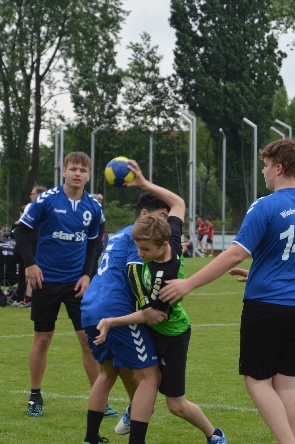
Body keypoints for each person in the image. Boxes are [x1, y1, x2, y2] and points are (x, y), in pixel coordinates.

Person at [160, 138, 295, 444]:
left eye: (265, 165)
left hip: (268, 306)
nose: (263, 171)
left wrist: (189, 283)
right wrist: (261, 272)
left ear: (279, 168)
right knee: (287, 384)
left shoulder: (265, 205)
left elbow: (236, 253)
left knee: (257, 381)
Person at [91, 161, 227, 444]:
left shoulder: (164, 278)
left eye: (144, 250)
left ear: (161, 246)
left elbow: (150, 314)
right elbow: (178, 203)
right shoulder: (168, 236)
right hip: (150, 328)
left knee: (176, 405)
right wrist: (143, 183)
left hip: (171, 335)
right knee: (134, 371)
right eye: (137, 248)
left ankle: (214, 435)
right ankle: (136, 409)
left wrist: (111, 321)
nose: (138, 254)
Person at [13, 152, 102, 417]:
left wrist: (87, 275)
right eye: (73, 169)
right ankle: (35, 396)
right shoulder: (45, 200)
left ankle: (99, 398)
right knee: (42, 340)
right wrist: (30, 264)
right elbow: (20, 231)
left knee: (88, 340)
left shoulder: (93, 207)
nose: (77, 174)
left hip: (77, 284)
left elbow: (93, 244)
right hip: (46, 281)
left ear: (88, 175)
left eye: (82, 170)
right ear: (64, 171)